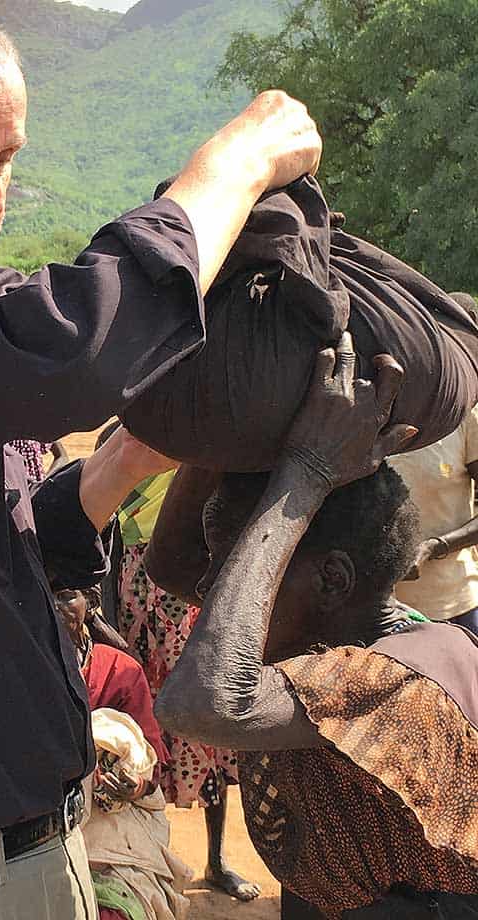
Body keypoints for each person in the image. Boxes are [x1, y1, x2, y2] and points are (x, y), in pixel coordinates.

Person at [0, 0, 322, 916]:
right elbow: (72, 343)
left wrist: (122, 465)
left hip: (24, 858)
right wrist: (230, 169)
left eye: (6, 159)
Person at [154, 335, 478, 918]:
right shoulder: (319, 635)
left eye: (237, 569)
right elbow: (171, 565)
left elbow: (200, 703)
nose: (210, 594)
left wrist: (306, 474)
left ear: (331, 579)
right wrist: (231, 418)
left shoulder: (404, 676)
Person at [116, 470, 258, 901]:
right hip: (135, 606)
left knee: (210, 731)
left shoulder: (209, 451)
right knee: (143, 734)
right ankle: (151, 860)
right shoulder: (125, 444)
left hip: (194, 599)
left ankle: (216, 862)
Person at [55, 586, 191, 920]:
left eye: (66, 593)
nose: (56, 604)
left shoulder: (121, 670)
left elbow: (150, 760)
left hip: (118, 814)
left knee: (121, 905)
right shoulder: (23, 668)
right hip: (51, 813)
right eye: (47, 591)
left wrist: (136, 785)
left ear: (92, 604)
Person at [390, 403, 478, 635]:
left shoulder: (462, 415)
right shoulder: (364, 413)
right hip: (382, 612)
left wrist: (433, 547)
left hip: (454, 604)